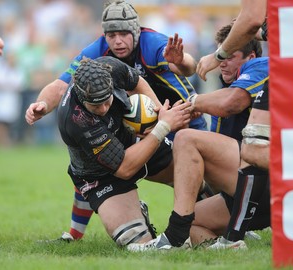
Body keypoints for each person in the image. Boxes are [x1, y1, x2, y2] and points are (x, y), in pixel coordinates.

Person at [25, 0, 208, 242]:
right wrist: (43, 105)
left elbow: (190, 67)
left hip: (182, 118)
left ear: (135, 31)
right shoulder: (98, 51)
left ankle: (221, 220)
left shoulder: (152, 42)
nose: (117, 41)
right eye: (111, 35)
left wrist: (180, 62)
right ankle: (74, 234)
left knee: (195, 177)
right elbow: (61, 85)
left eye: (123, 34)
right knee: (88, 164)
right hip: (144, 123)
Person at [127, 21, 270, 251]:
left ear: (251, 56)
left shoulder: (262, 66)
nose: (222, 62)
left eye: (229, 56)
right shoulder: (224, 92)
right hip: (248, 196)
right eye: (219, 55)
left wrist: (192, 104)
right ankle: (234, 243)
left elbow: (231, 103)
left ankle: (173, 240)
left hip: (272, 181)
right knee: (194, 222)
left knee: (186, 139)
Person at [57, 56, 191, 247]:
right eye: (96, 106)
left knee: (194, 180)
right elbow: (124, 167)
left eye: (107, 100)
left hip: (132, 138)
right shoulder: (76, 120)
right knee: (138, 244)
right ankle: (135, 211)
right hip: (101, 175)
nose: (104, 109)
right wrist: (163, 127)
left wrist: (159, 112)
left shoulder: (109, 67)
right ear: (81, 98)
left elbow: (136, 81)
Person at [196, 0, 267, 81]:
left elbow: (252, 20)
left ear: (251, 58)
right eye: (223, 58)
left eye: (229, 57)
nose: (221, 64)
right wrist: (263, 34)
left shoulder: (262, 76)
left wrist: (216, 57)